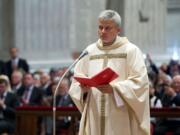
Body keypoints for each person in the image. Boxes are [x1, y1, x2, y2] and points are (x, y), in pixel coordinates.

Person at [69, 10, 150, 135]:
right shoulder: (89, 51)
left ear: (118, 30)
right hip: (94, 111)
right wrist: (82, 91)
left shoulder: (131, 51)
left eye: (108, 28)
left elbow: (140, 82)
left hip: (119, 113)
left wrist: (115, 89)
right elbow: (76, 81)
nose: (103, 32)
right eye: (100, 27)